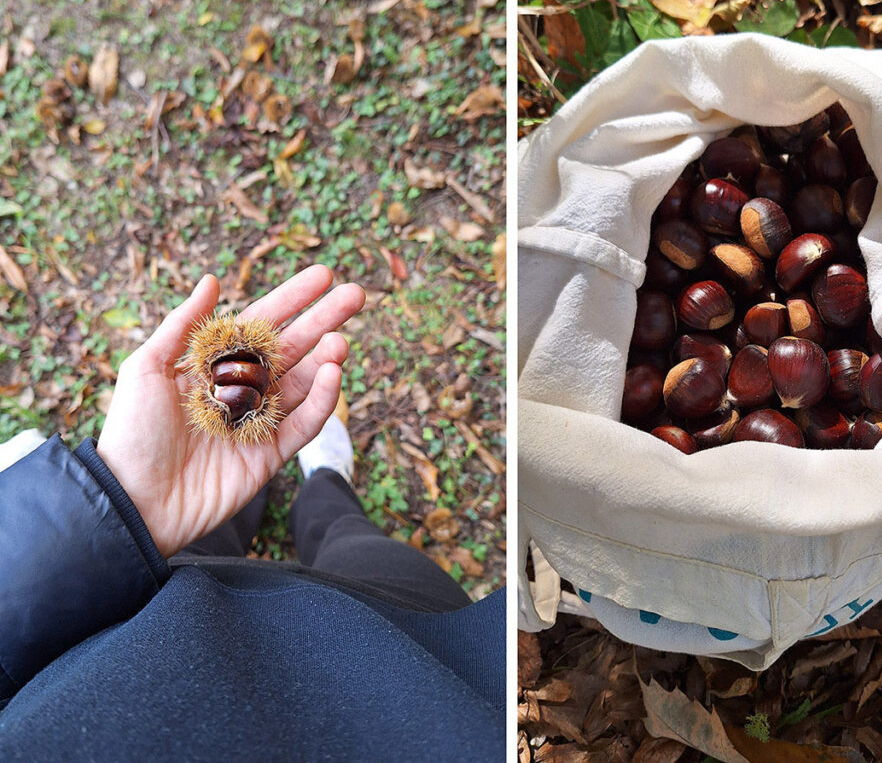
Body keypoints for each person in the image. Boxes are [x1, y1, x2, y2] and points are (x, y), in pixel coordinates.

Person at [0, 265, 504, 760]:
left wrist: (116, 506)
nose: (236, 376)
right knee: (351, 537)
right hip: (415, 663)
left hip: (137, 624)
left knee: (206, 531)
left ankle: (275, 491)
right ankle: (326, 482)